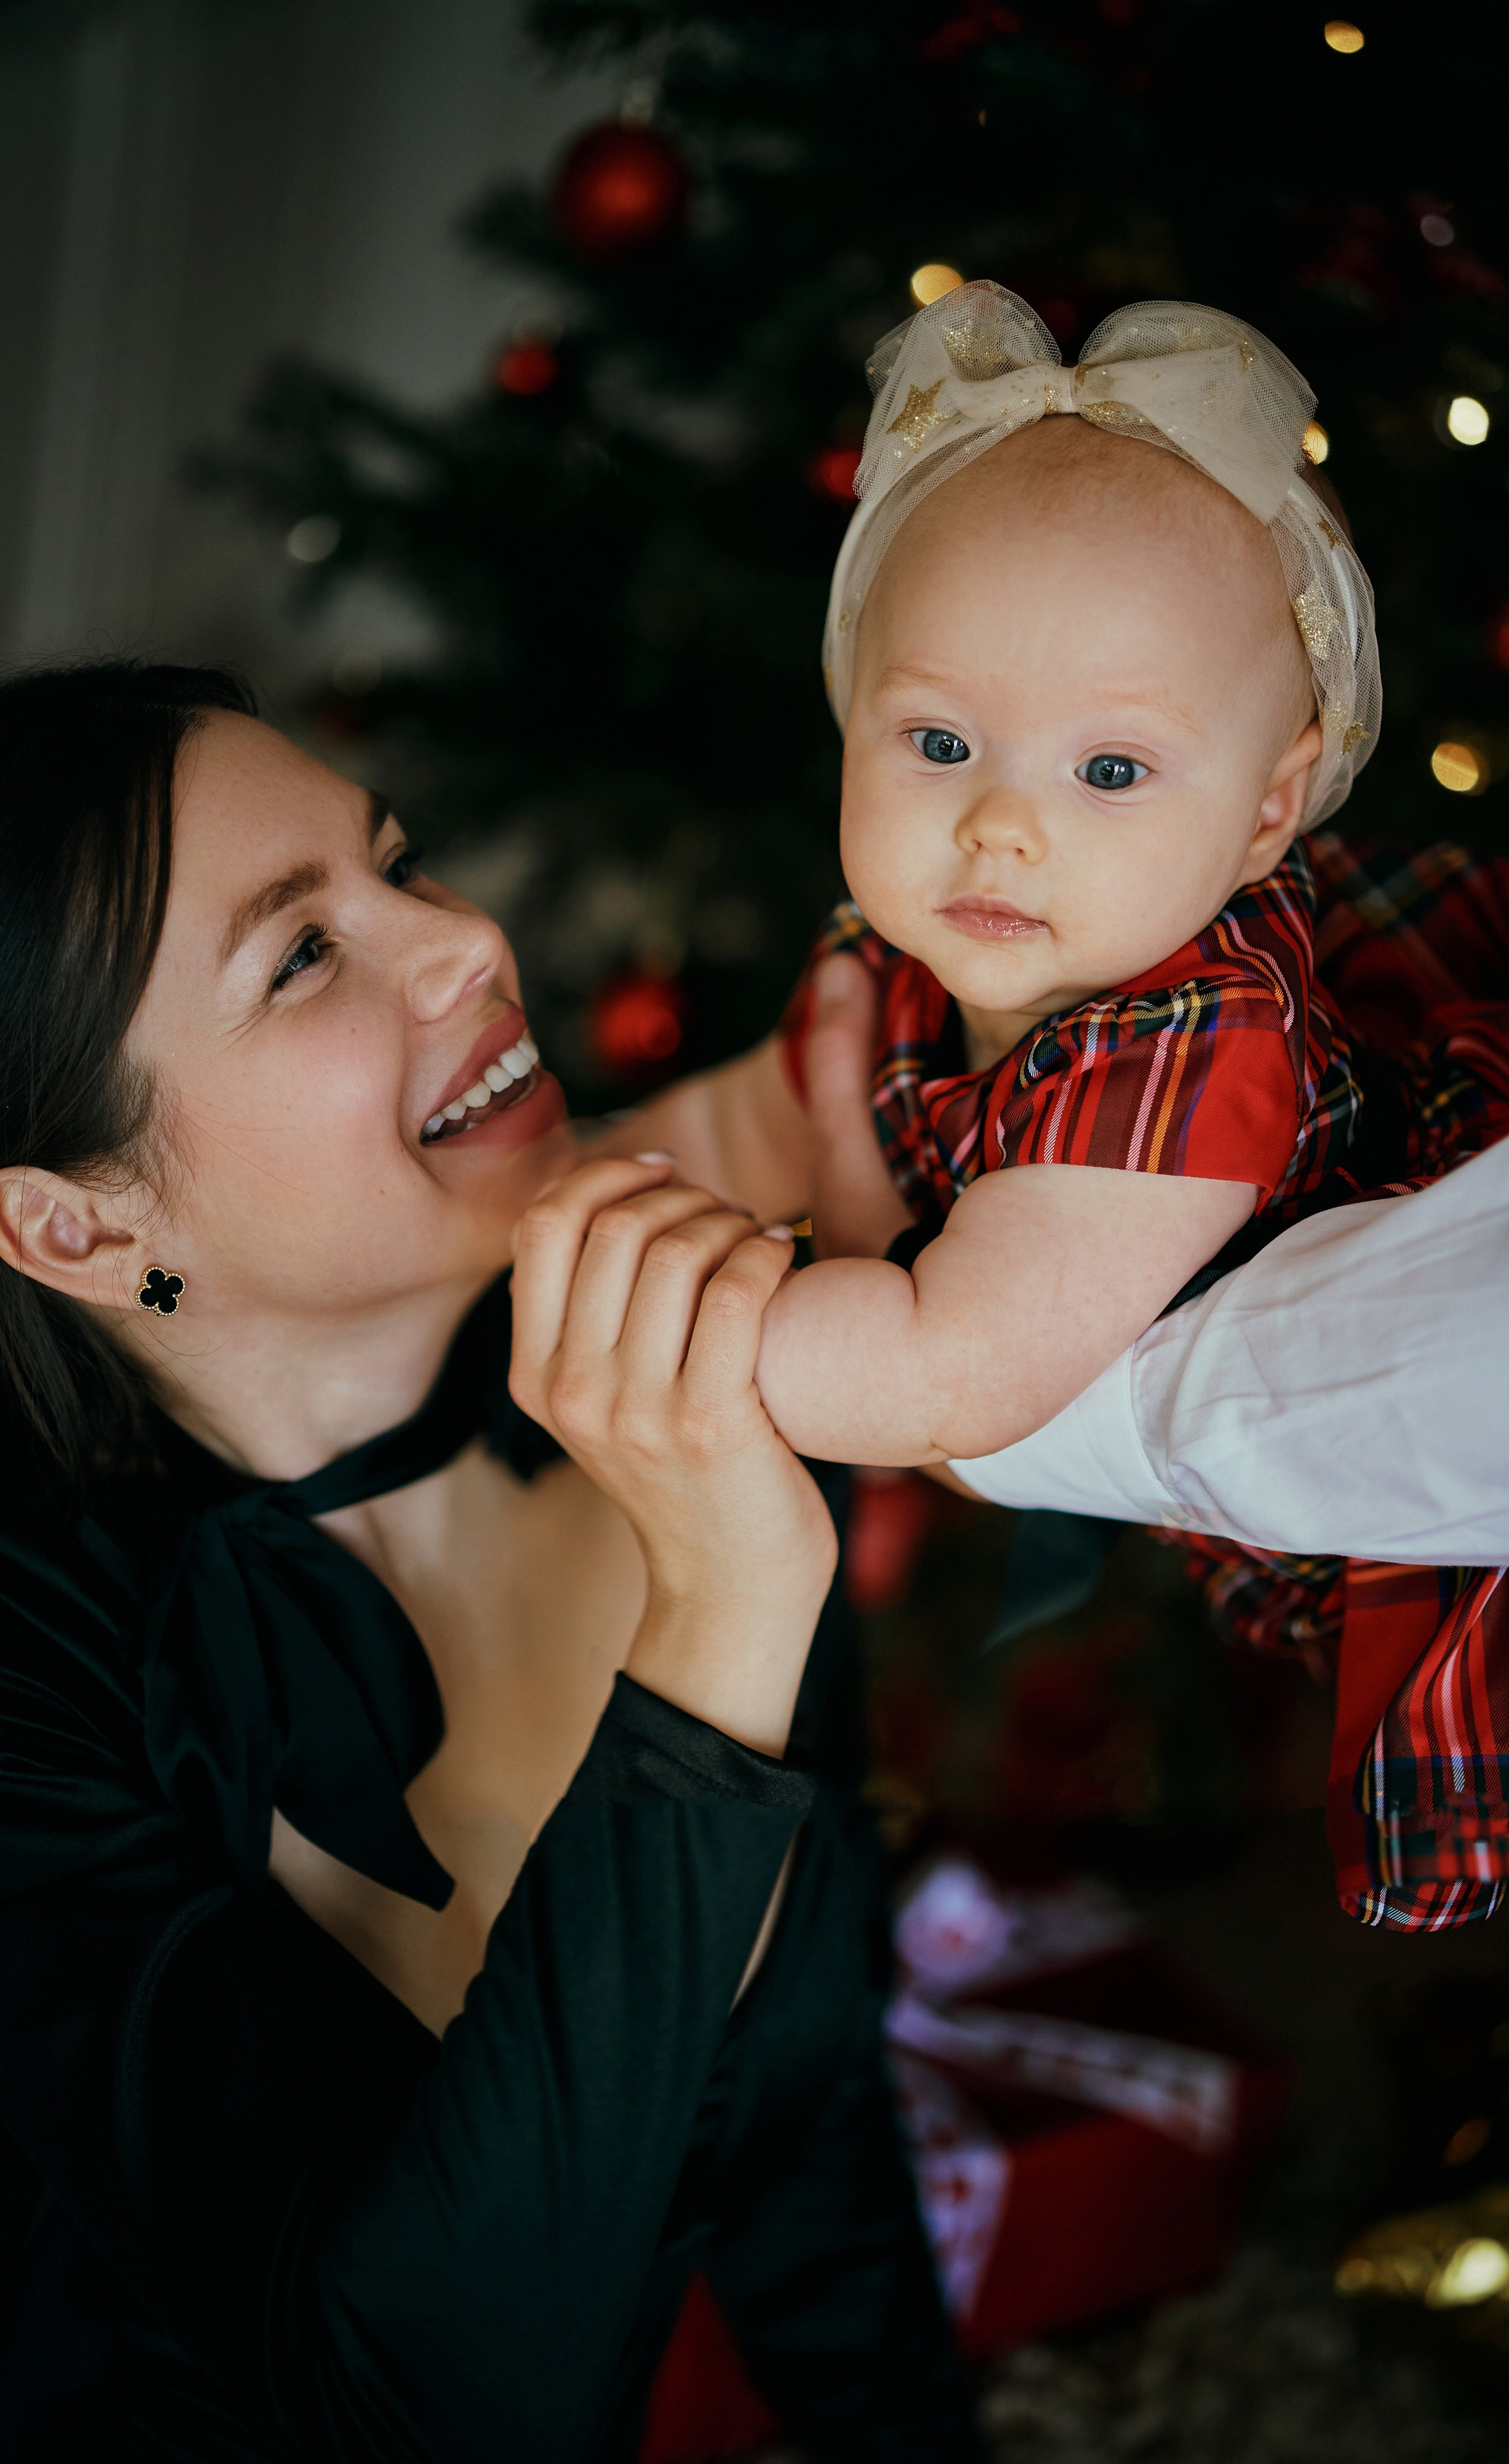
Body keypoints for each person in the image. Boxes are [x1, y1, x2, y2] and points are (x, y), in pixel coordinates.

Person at [0, 665, 975, 2462]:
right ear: (79, 1226)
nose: (467, 940)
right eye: (303, 954)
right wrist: (721, 1608)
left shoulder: (670, 1354)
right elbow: (416, 2401)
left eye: (396, 864)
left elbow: (807, 2119)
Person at [606, 282, 1509, 1934]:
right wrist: (558, 1187)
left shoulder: (1192, 1043)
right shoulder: (894, 956)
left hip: (1382, 1458)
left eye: (1107, 771)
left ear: (1265, 815)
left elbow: (950, 1374)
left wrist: (637, 1330)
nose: (999, 827)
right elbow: (750, 1116)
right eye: (937, 740)